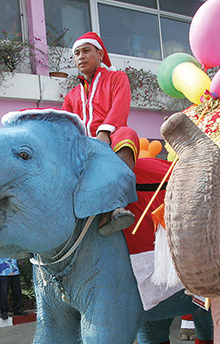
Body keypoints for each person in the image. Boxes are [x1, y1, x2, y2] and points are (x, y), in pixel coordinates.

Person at [62, 31, 139, 236]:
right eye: (77, 53)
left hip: (111, 138)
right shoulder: (71, 95)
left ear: (100, 54)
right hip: (82, 145)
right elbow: (67, 125)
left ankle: (115, 207)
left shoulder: (117, 78)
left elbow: (120, 109)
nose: (81, 56)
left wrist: (104, 133)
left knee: (128, 135)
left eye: (86, 51)